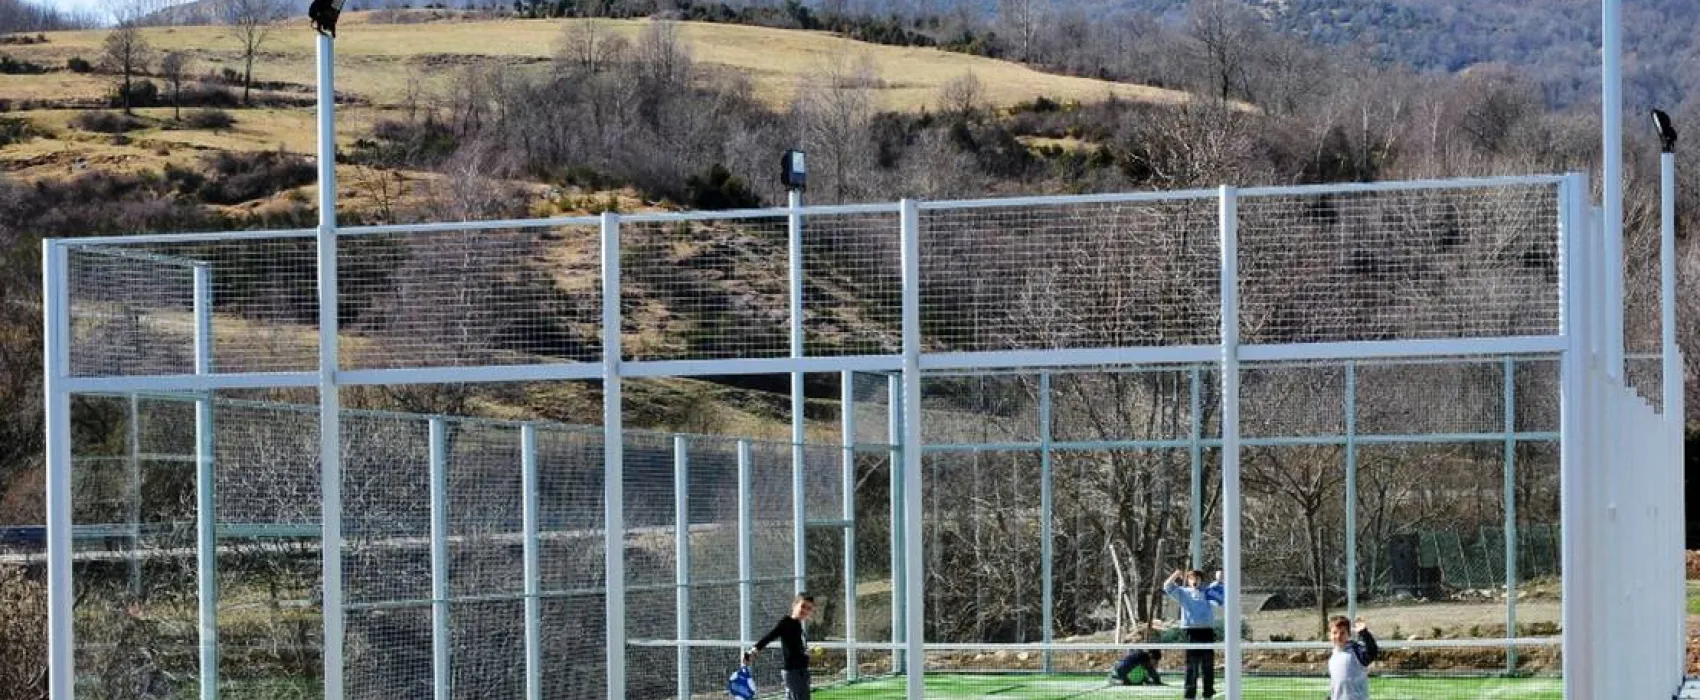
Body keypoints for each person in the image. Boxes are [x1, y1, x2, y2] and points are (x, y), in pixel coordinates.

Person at [1163, 569, 1224, 699]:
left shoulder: (1208, 592)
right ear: (1188, 581)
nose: (1195, 581)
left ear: (1201, 580)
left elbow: (1220, 589)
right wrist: (1176, 574)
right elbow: (1167, 586)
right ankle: (1190, 694)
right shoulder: (1183, 593)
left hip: (1206, 631)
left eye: (1197, 578)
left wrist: (1219, 579)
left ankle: (1208, 693)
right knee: (1192, 665)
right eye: (1192, 578)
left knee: (1208, 665)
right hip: (1191, 631)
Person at [747, 593, 816, 700]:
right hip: (794, 672)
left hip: (801, 671)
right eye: (803, 606)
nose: (805, 610)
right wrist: (755, 649)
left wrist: (806, 652)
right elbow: (770, 636)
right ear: (794, 605)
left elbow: (797, 648)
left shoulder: (797, 625)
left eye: (809, 608)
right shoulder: (787, 622)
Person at [1327, 616, 1379, 700]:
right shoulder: (1332, 658)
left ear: (1348, 634)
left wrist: (1364, 633)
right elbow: (1336, 685)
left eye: (1342, 633)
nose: (1338, 636)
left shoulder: (1356, 651)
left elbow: (1372, 652)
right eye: (1335, 633)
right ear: (1329, 635)